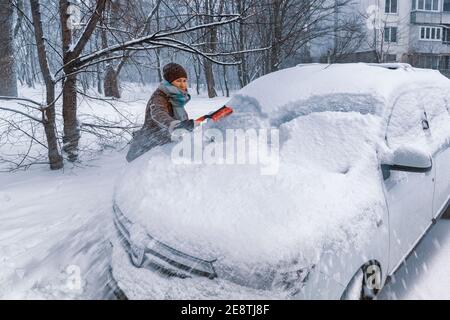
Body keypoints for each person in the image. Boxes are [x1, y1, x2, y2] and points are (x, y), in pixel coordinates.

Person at [126, 63, 198, 162]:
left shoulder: (175, 98)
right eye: (178, 81)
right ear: (169, 82)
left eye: (184, 80)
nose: (183, 84)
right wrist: (174, 125)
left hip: (164, 141)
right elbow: (158, 113)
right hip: (149, 147)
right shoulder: (159, 97)